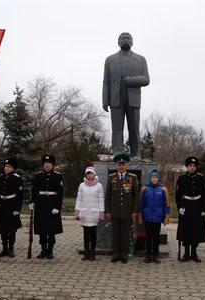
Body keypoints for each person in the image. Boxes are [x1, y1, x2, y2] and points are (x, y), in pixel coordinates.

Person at [102, 32, 150, 160]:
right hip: (116, 99)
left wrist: (132, 81)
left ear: (132, 42)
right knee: (117, 129)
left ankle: (135, 154)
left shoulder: (140, 59)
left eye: (128, 38)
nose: (125, 40)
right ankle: (117, 152)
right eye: (123, 38)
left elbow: (146, 79)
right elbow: (106, 82)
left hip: (133, 99)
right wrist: (105, 100)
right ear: (118, 42)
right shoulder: (110, 60)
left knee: (134, 129)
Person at [105, 154, 139, 264]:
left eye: (123, 164)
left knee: (125, 234)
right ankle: (116, 254)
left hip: (127, 211)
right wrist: (107, 210)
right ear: (116, 166)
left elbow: (135, 195)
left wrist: (134, 211)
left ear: (126, 165)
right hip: (114, 210)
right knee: (115, 233)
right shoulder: (111, 177)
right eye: (119, 164)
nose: (121, 166)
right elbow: (108, 195)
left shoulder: (132, 177)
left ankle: (124, 254)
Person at [30, 155, 63, 259]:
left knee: (51, 229)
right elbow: (34, 190)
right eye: (45, 163)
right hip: (41, 204)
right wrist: (32, 202)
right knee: (42, 228)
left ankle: (50, 250)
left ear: (52, 164)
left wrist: (57, 207)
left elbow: (60, 193)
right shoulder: (38, 176)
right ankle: (43, 249)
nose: (47, 165)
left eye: (49, 163)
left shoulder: (57, 176)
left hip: (52, 203)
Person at [175, 156, 205, 263]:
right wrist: (180, 207)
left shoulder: (200, 178)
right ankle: (186, 253)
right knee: (186, 230)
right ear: (187, 166)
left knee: (195, 230)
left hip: (197, 206)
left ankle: (194, 253)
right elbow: (177, 195)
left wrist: (204, 209)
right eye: (190, 166)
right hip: (186, 206)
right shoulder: (182, 178)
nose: (192, 168)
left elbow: (204, 194)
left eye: (194, 166)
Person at [138, 169, 170, 264]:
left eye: (156, 177)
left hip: (157, 217)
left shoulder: (163, 190)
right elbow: (141, 204)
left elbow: (166, 204)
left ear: (158, 179)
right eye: (153, 177)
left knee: (156, 237)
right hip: (147, 217)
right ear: (150, 178)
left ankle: (155, 255)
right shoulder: (145, 189)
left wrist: (166, 217)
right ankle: (148, 255)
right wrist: (140, 216)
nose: (154, 179)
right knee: (148, 236)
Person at [0, 158, 23, 257]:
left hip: (12, 204)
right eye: (5, 166)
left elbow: (19, 195)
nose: (6, 168)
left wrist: (17, 209)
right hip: (2, 204)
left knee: (11, 228)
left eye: (9, 167)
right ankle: (4, 248)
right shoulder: (1, 178)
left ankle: (11, 248)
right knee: (2, 228)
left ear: (13, 168)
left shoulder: (16, 178)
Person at [75, 165, 105, 261]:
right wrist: (77, 211)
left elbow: (101, 200)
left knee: (93, 235)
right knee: (85, 235)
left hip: (94, 214)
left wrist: (101, 213)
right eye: (87, 174)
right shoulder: (81, 185)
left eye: (91, 174)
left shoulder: (99, 186)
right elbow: (79, 199)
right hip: (84, 213)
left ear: (94, 174)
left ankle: (93, 253)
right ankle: (86, 252)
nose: (89, 176)